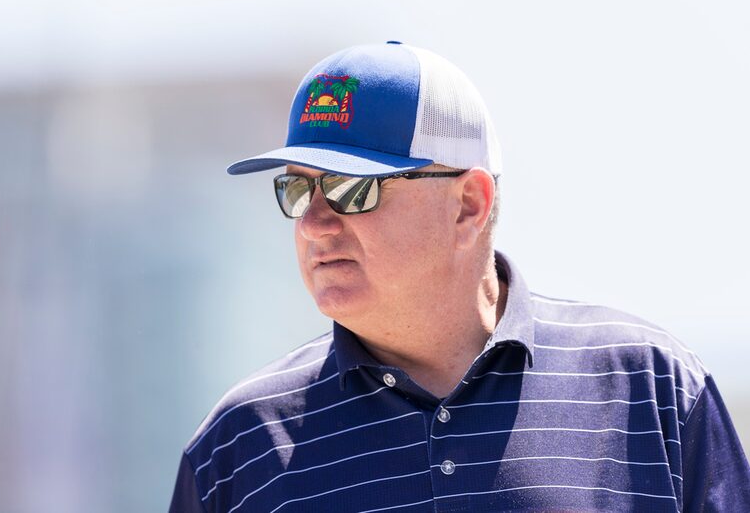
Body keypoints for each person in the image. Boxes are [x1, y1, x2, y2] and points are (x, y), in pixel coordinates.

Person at [169, 42, 750, 512]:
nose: (315, 222)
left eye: (351, 189)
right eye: (298, 189)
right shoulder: (240, 444)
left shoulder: (649, 386)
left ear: (468, 205)